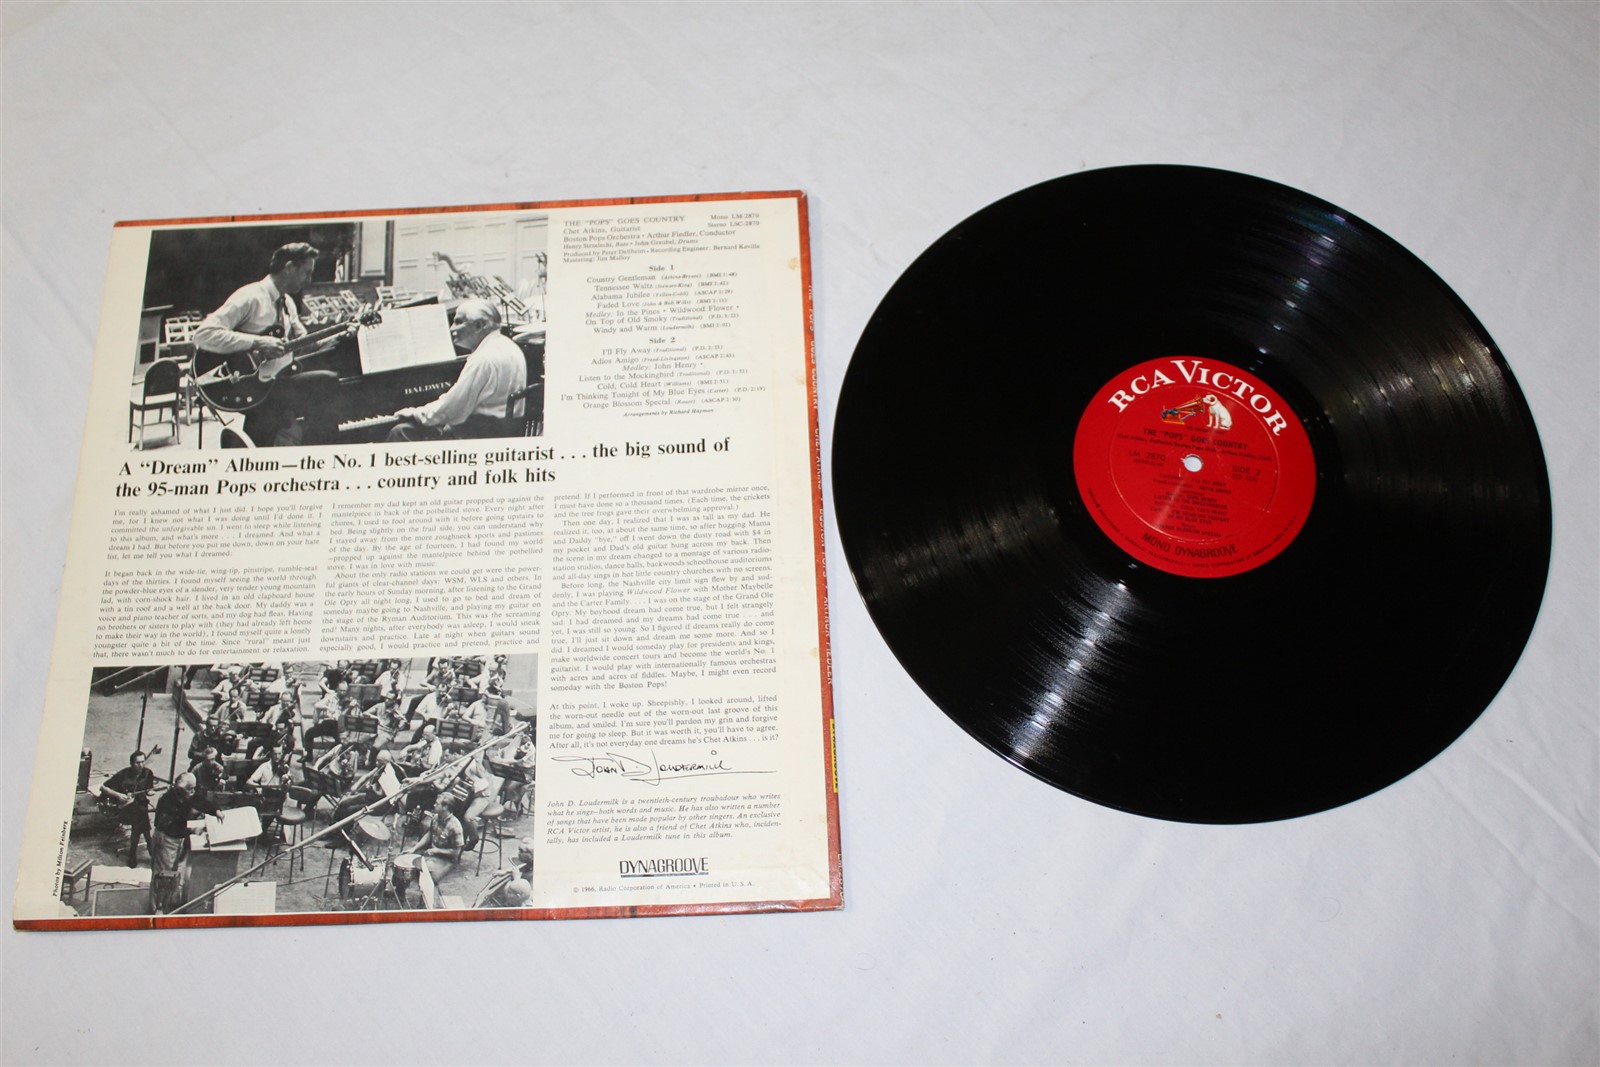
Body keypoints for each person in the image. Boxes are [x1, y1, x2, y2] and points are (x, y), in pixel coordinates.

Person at [193, 242, 338, 447]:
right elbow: (203, 334)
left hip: (273, 384)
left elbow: (305, 343)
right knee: (326, 381)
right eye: (306, 272)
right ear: (289, 268)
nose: (309, 280)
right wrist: (258, 342)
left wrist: (339, 335)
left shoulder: (288, 303)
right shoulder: (250, 297)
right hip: (242, 383)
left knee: (324, 382)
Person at [385, 298, 526, 441]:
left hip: (480, 436)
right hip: (506, 430)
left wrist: (415, 413)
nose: (451, 328)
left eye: (458, 322)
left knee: (400, 432)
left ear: (479, 325)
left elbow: (452, 408)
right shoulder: (509, 346)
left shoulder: (483, 358)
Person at [149, 772, 217, 913]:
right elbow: (172, 828)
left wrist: (215, 811)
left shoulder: (185, 794)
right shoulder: (167, 802)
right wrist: (191, 831)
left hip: (177, 839)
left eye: (193, 788)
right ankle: (158, 908)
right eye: (189, 790)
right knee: (163, 875)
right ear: (180, 789)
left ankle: (169, 902)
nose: (192, 792)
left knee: (174, 871)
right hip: (167, 839)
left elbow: (198, 800)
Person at [101, 751, 158, 866]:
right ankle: (149, 844)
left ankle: (133, 852)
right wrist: (118, 795)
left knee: (139, 813)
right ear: (131, 763)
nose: (141, 765)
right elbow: (103, 787)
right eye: (137, 763)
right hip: (123, 808)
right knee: (141, 814)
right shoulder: (124, 774)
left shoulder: (148, 773)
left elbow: (149, 789)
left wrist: (150, 792)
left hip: (139, 807)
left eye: (143, 762)